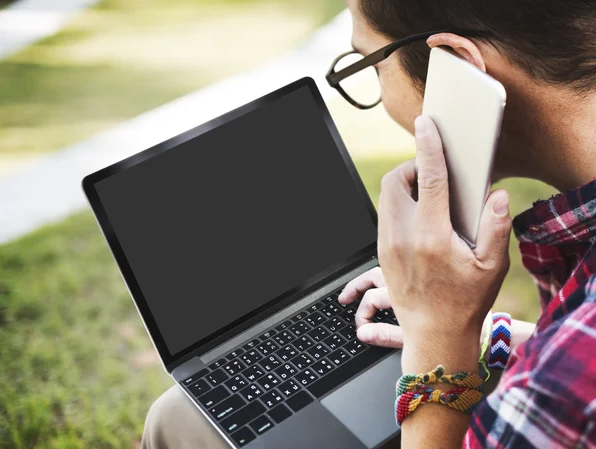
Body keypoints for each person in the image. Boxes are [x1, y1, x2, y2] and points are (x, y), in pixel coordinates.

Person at [141, 0, 596, 447]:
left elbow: (566, 377)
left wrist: (438, 344)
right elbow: (564, 352)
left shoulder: (564, 392)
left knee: (173, 420)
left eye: (371, 65)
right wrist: (480, 334)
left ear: (460, 69)